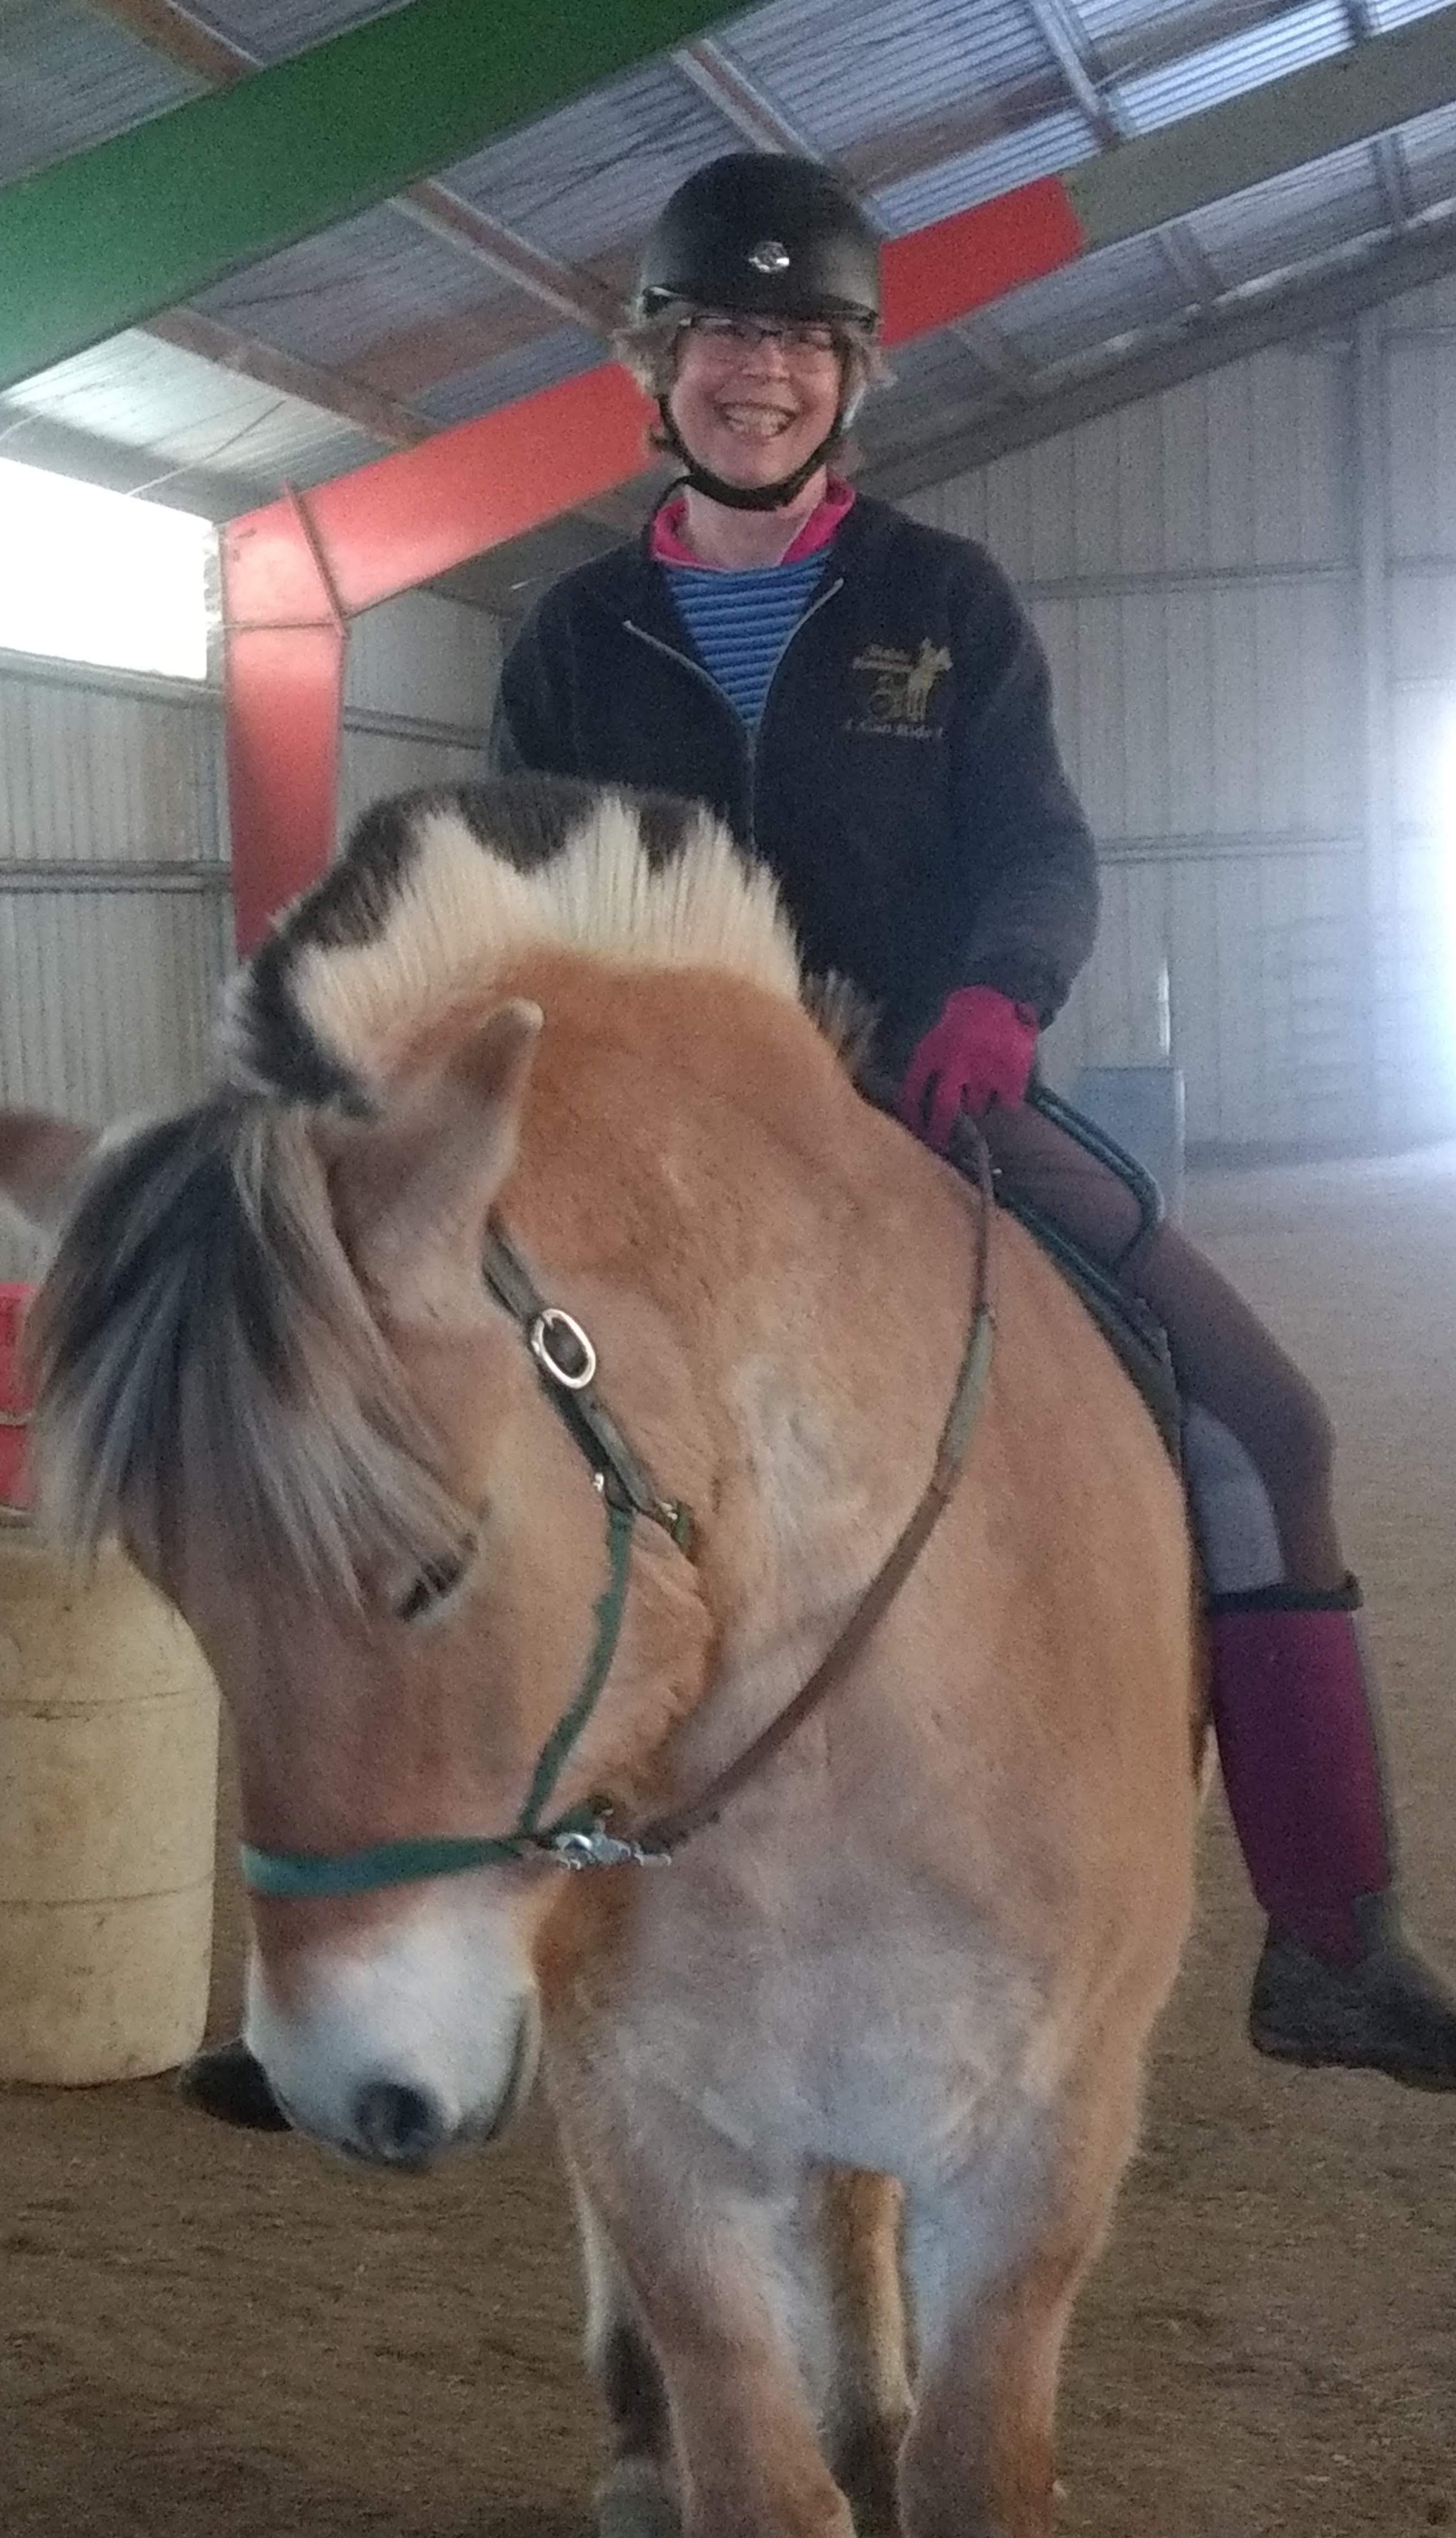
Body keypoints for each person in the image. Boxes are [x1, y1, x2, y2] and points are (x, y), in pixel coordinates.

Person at [181, 153, 1455, 2128]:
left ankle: (1331, 1939)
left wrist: (998, 994)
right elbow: (510, 897)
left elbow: (1039, 848)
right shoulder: (576, 631)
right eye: (719, 335)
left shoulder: (945, 603)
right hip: (649, 1160)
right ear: (658, 368)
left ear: (850, 375)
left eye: (796, 339)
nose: (756, 371)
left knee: (1264, 1425)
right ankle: (366, 1965)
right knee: (390, 1464)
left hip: (929, 1107)